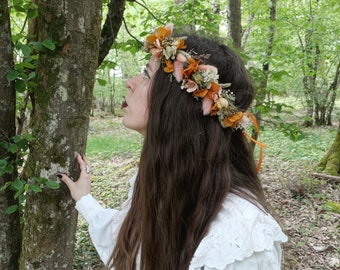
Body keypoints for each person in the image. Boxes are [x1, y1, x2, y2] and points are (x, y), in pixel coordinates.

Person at [59, 23, 287, 270]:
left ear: (180, 100)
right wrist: (84, 199)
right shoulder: (158, 180)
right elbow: (125, 237)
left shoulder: (238, 241)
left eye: (147, 74)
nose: (130, 82)